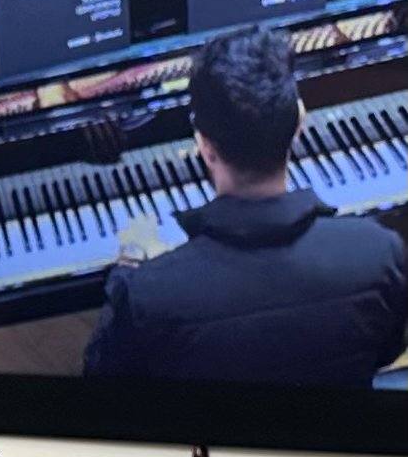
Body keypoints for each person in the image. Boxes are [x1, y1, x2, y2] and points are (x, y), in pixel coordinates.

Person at [83, 26, 407, 384]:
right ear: (299, 123)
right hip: (336, 434)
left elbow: (104, 382)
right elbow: (386, 350)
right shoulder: (379, 251)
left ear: (204, 146)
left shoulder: (148, 292)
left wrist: (130, 266)